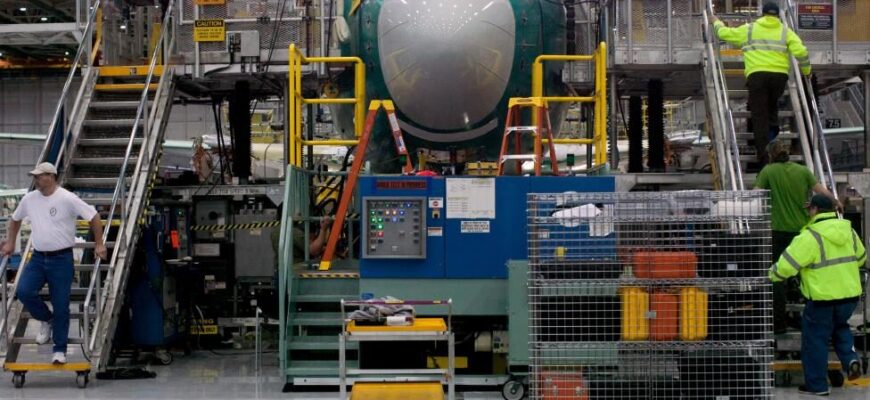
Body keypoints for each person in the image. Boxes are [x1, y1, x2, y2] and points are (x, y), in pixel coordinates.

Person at [0, 162, 107, 365]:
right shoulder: (30, 199)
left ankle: (60, 349)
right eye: (35, 176)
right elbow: (15, 220)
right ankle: (47, 319)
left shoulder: (67, 198)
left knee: (61, 305)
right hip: (38, 257)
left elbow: (94, 216)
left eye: (39, 176)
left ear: (51, 176)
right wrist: (11, 242)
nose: (36, 180)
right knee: (24, 291)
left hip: (61, 259)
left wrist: (99, 244)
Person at [770, 194, 864, 396]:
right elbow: (862, 257)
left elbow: (786, 266)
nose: (808, 212)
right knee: (840, 328)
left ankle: (817, 386)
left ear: (815, 210)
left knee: (815, 341)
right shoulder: (849, 231)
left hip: (822, 299)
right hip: (849, 298)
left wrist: (771, 276)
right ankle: (851, 360)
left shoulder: (809, 236)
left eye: (809, 209)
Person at [754, 140, 840, 334]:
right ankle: (809, 318)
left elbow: (755, 195)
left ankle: (779, 323)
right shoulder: (803, 171)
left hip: (778, 233)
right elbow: (822, 192)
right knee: (807, 274)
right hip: (803, 234)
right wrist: (836, 203)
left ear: (771, 155)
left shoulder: (768, 171)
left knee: (777, 277)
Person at [711, 2, 811, 165]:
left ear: (762, 14)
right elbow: (801, 52)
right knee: (772, 110)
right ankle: (773, 144)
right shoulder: (786, 32)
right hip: (779, 77)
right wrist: (807, 71)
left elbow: (724, 34)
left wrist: (715, 21)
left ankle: (764, 156)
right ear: (778, 16)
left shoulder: (749, 29)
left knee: (759, 116)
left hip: (757, 76)